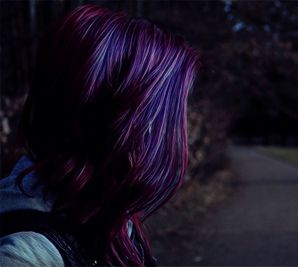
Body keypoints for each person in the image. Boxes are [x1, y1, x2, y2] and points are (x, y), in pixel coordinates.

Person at [0, 4, 200, 267]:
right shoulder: (27, 256)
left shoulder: (105, 217)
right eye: (170, 114)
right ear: (124, 122)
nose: (177, 128)